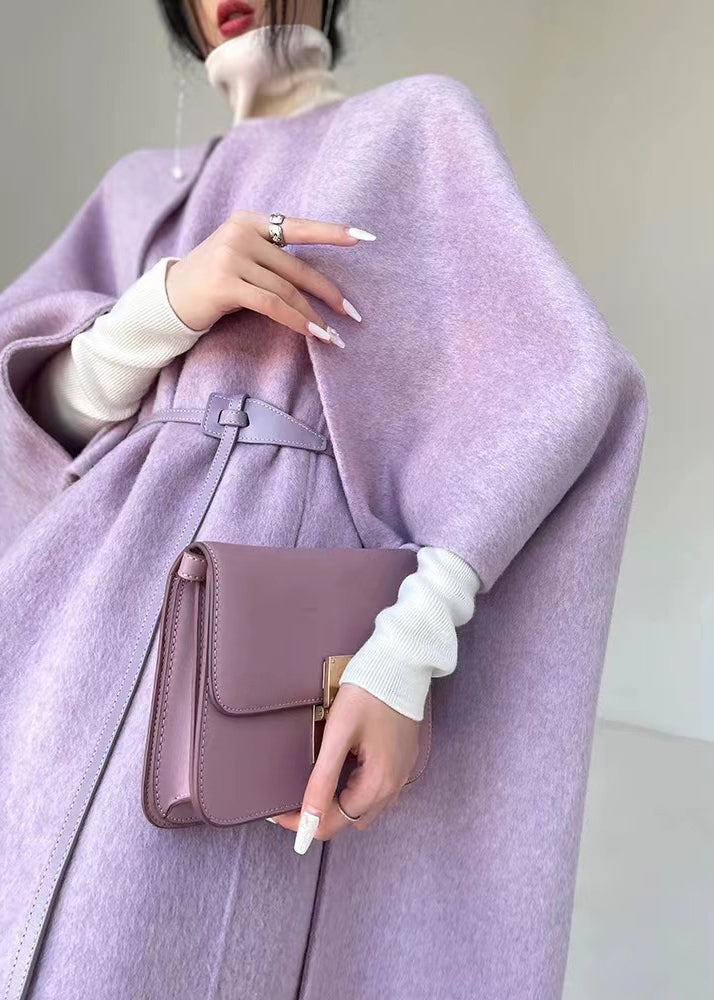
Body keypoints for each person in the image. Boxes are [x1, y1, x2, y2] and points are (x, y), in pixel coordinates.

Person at [0, 2, 648, 998]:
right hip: (70, 628)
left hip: (250, 667)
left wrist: (405, 653)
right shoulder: (136, 190)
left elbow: (562, 388)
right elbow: (35, 423)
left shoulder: (410, 129)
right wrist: (165, 304)